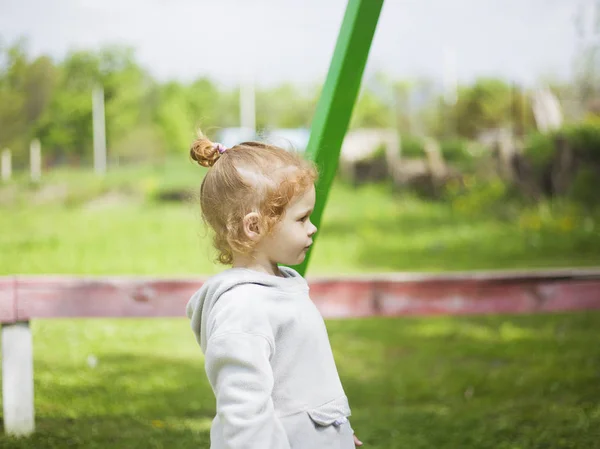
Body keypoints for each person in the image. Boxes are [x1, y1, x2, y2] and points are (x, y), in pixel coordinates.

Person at [185, 133, 363, 449]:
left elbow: (304, 382)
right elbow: (245, 415)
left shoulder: (279, 286)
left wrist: (333, 432)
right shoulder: (243, 307)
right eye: (302, 218)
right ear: (254, 227)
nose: (313, 227)